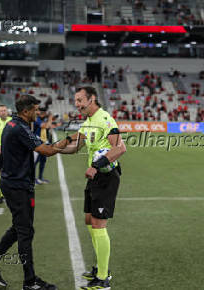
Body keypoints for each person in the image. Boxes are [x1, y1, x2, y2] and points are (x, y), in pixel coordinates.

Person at [0, 95, 71, 289]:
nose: (38, 113)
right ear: (26, 111)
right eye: (36, 109)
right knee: (25, 231)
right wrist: (70, 139)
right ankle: (29, 281)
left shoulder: (14, 124)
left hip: (15, 184)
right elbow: (47, 150)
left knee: (19, 229)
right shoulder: (19, 128)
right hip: (18, 186)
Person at [57, 86, 126, 290]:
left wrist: (96, 165)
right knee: (89, 219)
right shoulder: (87, 123)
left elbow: (120, 148)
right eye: (75, 101)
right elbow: (75, 146)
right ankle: (100, 268)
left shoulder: (104, 119)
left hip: (105, 176)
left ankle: (103, 279)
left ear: (92, 99)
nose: (77, 104)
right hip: (95, 176)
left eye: (80, 100)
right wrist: (52, 149)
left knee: (98, 224)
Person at [33, 108, 53, 185]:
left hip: (43, 142)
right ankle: (33, 179)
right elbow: (45, 126)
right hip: (37, 142)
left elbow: (48, 128)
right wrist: (50, 119)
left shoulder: (42, 118)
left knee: (43, 160)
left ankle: (40, 178)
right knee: (35, 161)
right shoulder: (36, 119)